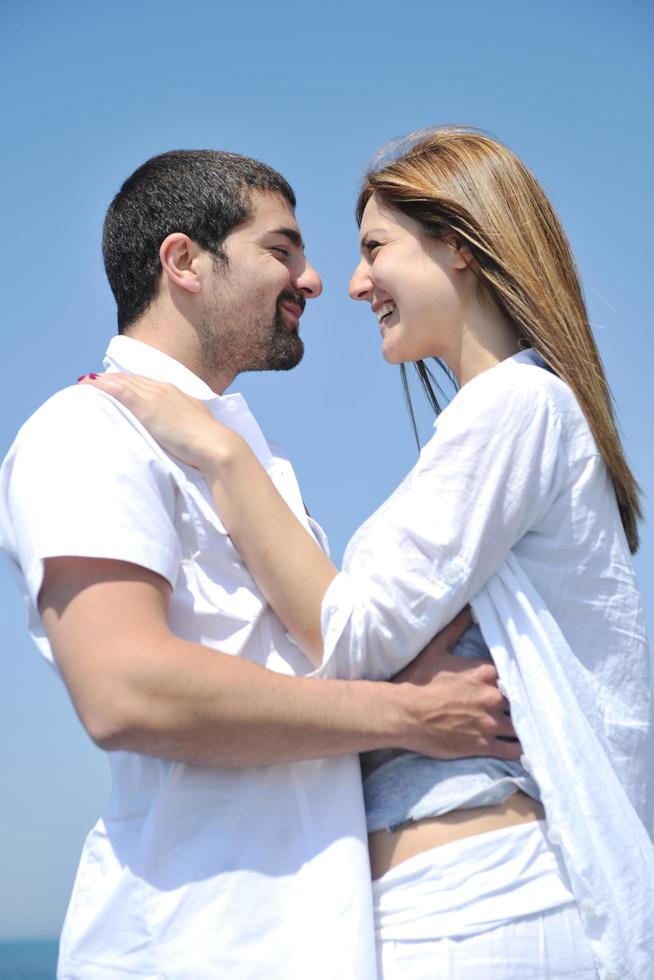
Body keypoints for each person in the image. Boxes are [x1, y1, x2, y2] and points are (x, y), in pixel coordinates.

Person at [87, 129, 654, 979]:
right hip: (461, 906)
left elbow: (348, 636)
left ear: (457, 245)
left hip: (474, 909)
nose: (352, 284)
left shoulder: (516, 406)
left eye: (374, 249)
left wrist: (220, 452)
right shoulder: (506, 415)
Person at [0, 149, 518, 980]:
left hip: (315, 945)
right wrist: (405, 715)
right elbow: (123, 690)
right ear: (184, 263)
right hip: (192, 946)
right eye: (282, 250)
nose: (315, 280)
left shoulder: (249, 457)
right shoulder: (85, 429)